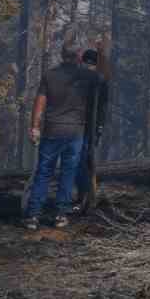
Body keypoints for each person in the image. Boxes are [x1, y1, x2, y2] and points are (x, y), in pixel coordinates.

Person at [24, 29, 109, 231]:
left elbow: (40, 102)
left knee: (44, 172)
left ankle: (33, 216)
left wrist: (35, 127)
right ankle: (60, 215)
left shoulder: (49, 75)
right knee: (68, 173)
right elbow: (104, 76)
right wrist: (102, 51)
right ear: (79, 56)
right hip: (75, 133)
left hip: (52, 130)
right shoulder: (86, 76)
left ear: (62, 55)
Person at [72, 47, 111, 212]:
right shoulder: (77, 79)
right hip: (76, 126)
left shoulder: (101, 82)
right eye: (87, 64)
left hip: (90, 127)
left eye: (91, 64)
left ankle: (88, 197)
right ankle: (82, 196)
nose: (89, 67)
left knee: (87, 161)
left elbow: (102, 107)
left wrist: (99, 128)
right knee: (78, 161)